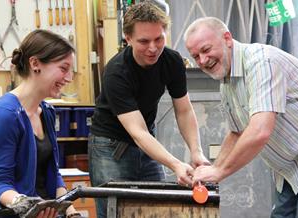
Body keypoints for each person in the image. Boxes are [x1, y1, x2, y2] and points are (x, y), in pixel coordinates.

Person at [184, 17, 298, 218]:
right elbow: (236, 133)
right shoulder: (227, 82)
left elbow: (259, 131)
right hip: (291, 168)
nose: (203, 61)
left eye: (206, 50)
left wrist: (220, 172)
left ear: (227, 38)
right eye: (196, 56)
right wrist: (212, 170)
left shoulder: (261, 62)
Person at [88, 2, 210, 217]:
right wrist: (175, 164)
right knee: (114, 212)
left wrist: (196, 151)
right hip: (110, 147)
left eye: (159, 39)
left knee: (158, 209)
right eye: (144, 41)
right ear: (128, 39)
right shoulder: (116, 72)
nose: (153, 48)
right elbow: (138, 131)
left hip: (146, 143)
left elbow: (184, 110)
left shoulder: (172, 61)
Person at [0, 30, 81, 218]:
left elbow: (53, 173)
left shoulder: (47, 112)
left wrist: (70, 211)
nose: (69, 78)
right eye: (63, 68)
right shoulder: (5, 115)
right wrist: (28, 206)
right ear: (35, 64)